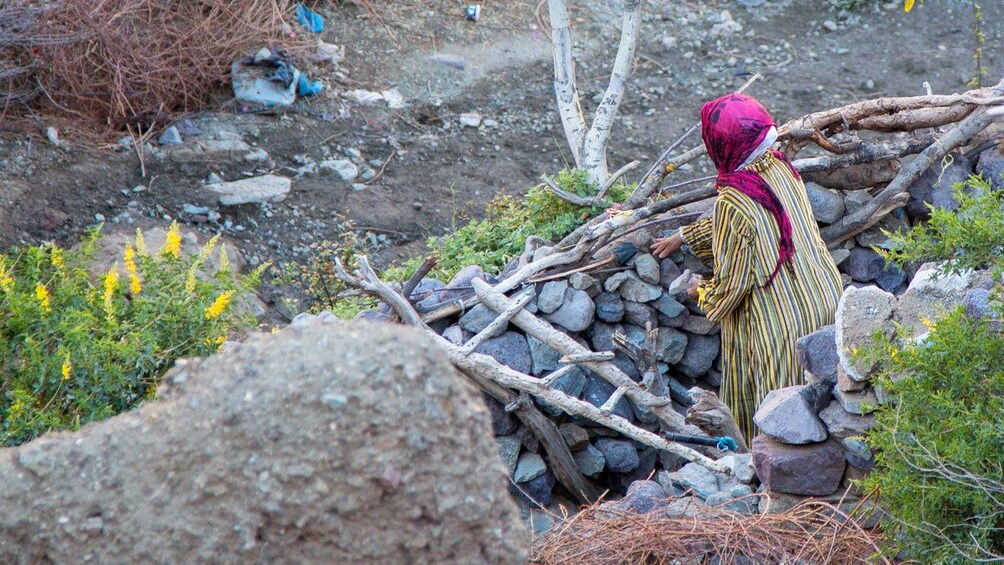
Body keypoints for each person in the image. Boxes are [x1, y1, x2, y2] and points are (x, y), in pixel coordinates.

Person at [651, 94, 842, 441]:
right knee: (827, 409)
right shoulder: (779, 165)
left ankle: (762, 477)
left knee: (783, 418)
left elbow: (733, 285)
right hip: (823, 295)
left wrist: (701, 292)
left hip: (783, 323)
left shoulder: (733, 201)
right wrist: (686, 235)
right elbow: (756, 225)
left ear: (720, 145)